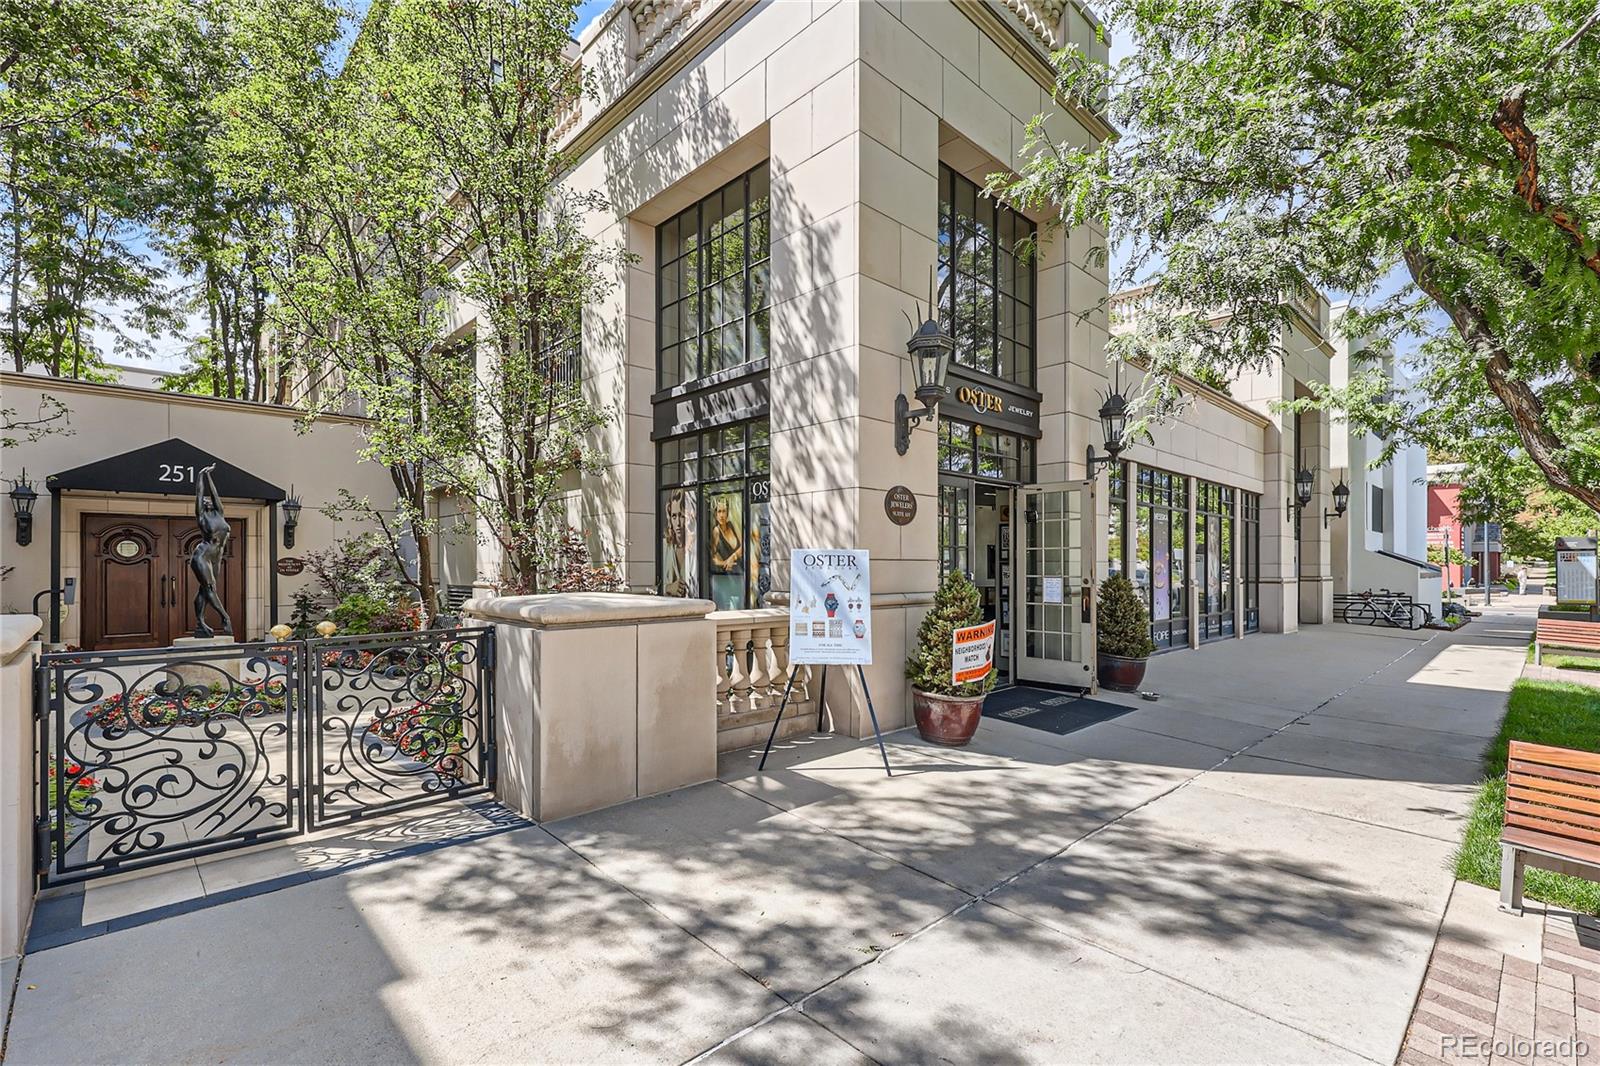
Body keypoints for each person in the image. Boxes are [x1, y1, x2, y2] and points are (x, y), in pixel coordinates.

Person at [190, 464, 233, 637]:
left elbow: (215, 495)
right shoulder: (202, 517)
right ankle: (225, 618)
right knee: (209, 588)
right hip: (202, 556)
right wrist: (200, 475)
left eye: (210, 501)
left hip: (216, 558)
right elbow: (199, 494)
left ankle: (200, 622)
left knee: (204, 590)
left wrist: (209, 476)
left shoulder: (220, 514)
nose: (207, 501)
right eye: (204, 501)